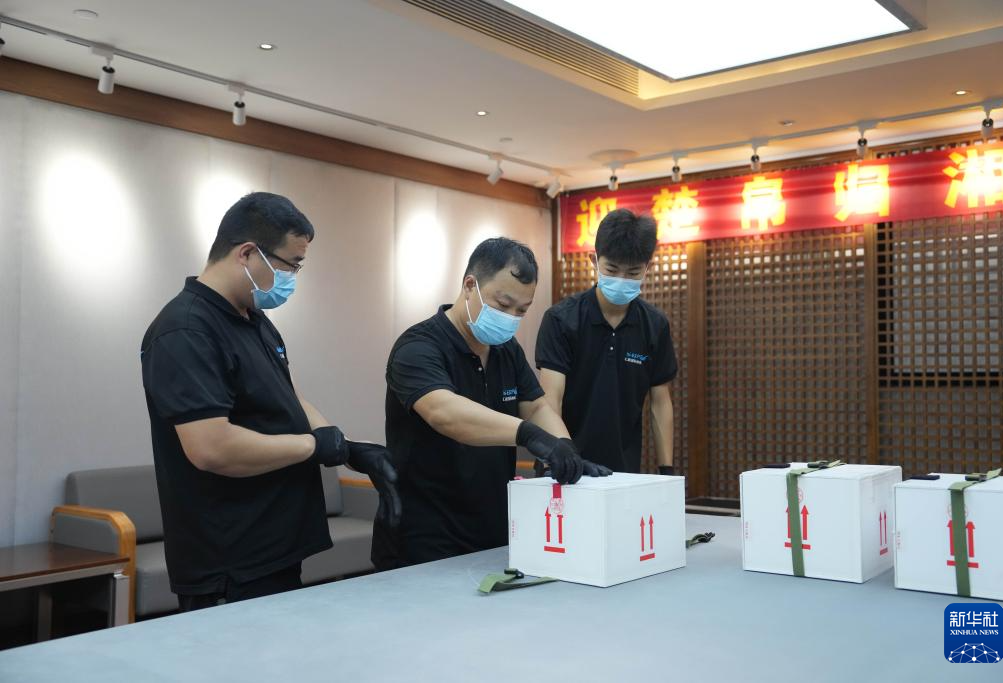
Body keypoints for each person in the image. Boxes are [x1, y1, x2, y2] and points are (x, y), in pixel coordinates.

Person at [141, 192, 400, 611]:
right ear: (247, 253)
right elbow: (211, 447)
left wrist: (344, 447)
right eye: (291, 265)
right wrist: (313, 447)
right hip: (230, 561)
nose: (293, 277)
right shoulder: (186, 330)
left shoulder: (254, 320)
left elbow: (289, 396)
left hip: (276, 547)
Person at [374, 237, 610, 569]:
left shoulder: (506, 350)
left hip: (491, 529)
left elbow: (536, 406)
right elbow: (445, 413)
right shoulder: (418, 347)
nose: (511, 317)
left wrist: (564, 447)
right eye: (503, 304)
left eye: (522, 310)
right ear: (470, 285)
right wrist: (529, 435)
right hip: (425, 534)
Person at [535, 209, 678, 475]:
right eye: (612, 269)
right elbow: (550, 399)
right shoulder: (561, 320)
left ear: (648, 268)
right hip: (563, 467)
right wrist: (557, 457)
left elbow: (660, 403)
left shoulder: (654, 326)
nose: (621, 280)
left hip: (624, 470)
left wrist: (666, 469)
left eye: (633, 272)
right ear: (594, 260)